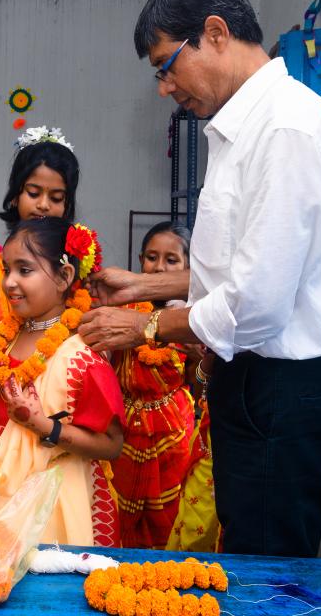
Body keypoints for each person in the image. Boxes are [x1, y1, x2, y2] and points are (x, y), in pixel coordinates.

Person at [80, 0, 321, 558]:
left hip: (284, 387)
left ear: (214, 33)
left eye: (165, 65)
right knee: (249, 540)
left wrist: (148, 325)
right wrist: (139, 286)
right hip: (260, 381)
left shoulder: (285, 129)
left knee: (267, 570)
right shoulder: (245, 127)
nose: (164, 87)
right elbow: (250, 267)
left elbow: (256, 304)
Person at [0, 218, 124, 547]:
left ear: (64, 277)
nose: (9, 282)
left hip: (53, 502)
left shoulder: (80, 356)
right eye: (7, 269)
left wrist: (45, 426)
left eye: (25, 270)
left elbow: (111, 444)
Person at [109, 222, 198, 549]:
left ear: (188, 269)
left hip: (172, 435)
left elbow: (199, 383)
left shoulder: (195, 317)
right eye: (151, 257)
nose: (159, 267)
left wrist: (199, 357)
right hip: (125, 433)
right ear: (139, 260)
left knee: (167, 516)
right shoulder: (124, 311)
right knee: (121, 513)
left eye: (171, 260)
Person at [0, 127, 80, 338]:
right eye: (33, 193)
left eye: (56, 197)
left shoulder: (85, 281)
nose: (44, 205)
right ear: (14, 196)